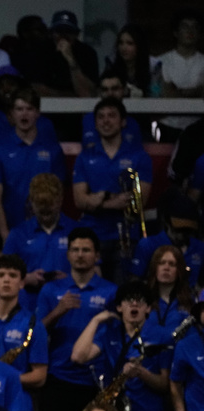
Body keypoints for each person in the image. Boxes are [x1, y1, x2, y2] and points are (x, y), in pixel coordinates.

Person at [36, 229, 117, 411]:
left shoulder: (110, 291)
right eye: (75, 250)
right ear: (68, 254)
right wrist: (57, 312)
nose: (80, 255)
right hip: (59, 374)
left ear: (97, 255)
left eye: (86, 250)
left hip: (94, 378)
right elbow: (35, 332)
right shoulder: (51, 290)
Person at [71, 281, 170, 411]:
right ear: (119, 307)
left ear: (148, 308)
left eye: (140, 300)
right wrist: (96, 320)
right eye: (129, 299)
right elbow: (78, 356)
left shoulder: (162, 336)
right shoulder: (110, 331)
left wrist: (141, 373)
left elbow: (165, 384)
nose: (134, 303)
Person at [72, 97, 153, 280]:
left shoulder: (140, 157)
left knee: (121, 295)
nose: (106, 120)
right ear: (95, 123)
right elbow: (79, 200)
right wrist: (113, 200)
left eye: (111, 116)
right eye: (101, 117)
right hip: (91, 237)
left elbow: (138, 202)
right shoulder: (84, 157)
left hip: (125, 238)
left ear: (123, 122)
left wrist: (98, 200)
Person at [0, 88, 66, 239]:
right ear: (12, 114)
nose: (24, 114)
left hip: (47, 231)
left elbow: (59, 194)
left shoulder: (52, 149)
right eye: (19, 109)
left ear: (37, 113)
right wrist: (5, 234)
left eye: (29, 109)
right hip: (13, 230)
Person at [2, 174, 79, 294]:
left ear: (60, 200)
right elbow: (2, 274)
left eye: (49, 204)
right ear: (31, 202)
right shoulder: (18, 234)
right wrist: (27, 278)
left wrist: (71, 279)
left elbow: (95, 272)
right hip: (29, 302)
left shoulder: (77, 231)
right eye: (40, 204)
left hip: (70, 298)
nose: (45, 209)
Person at [0, 255, 49, 393]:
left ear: (22, 283)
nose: (6, 280)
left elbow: (40, 376)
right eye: (1, 275)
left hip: (16, 399)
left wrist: (6, 379)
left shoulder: (33, 325)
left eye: (13, 276)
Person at [131, 190, 204, 287]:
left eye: (187, 231)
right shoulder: (148, 245)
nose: (182, 234)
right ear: (166, 223)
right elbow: (134, 281)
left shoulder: (199, 248)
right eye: (178, 230)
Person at [157, 10, 204, 140]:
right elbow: (164, 93)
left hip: (198, 126)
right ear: (176, 32)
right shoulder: (161, 61)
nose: (190, 30)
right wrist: (194, 92)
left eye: (194, 27)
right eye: (185, 26)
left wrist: (176, 91)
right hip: (168, 126)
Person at [41, 11, 99, 97]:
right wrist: (70, 96)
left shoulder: (87, 53)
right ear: (51, 33)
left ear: (77, 34)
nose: (63, 36)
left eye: (68, 31)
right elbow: (37, 89)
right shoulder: (42, 51)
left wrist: (71, 60)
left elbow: (87, 93)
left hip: (82, 107)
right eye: (59, 31)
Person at [105, 25, 162, 98]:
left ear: (139, 46)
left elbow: (156, 92)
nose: (124, 48)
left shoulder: (154, 66)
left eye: (129, 43)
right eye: (121, 43)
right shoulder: (111, 63)